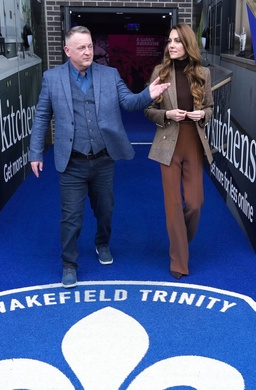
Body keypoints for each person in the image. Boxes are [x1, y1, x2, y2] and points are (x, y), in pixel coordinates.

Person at [29, 25, 170, 288]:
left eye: (90, 46)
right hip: (71, 161)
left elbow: (128, 102)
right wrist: (35, 152)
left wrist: (147, 95)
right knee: (71, 217)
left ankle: (102, 243)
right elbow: (42, 116)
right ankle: (69, 264)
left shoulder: (110, 74)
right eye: (81, 47)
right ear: (67, 50)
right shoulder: (52, 78)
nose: (88, 51)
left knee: (105, 210)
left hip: (104, 159)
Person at [144, 23, 214, 280]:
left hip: (193, 141)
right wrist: (167, 114)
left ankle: (180, 240)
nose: (171, 45)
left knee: (195, 203)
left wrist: (202, 115)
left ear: (188, 44)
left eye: (177, 41)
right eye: (170, 40)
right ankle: (179, 261)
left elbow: (210, 108)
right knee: (173, 205)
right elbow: (148, 109)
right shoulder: (160, 72)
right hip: (167, 143)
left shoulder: (203, 73)